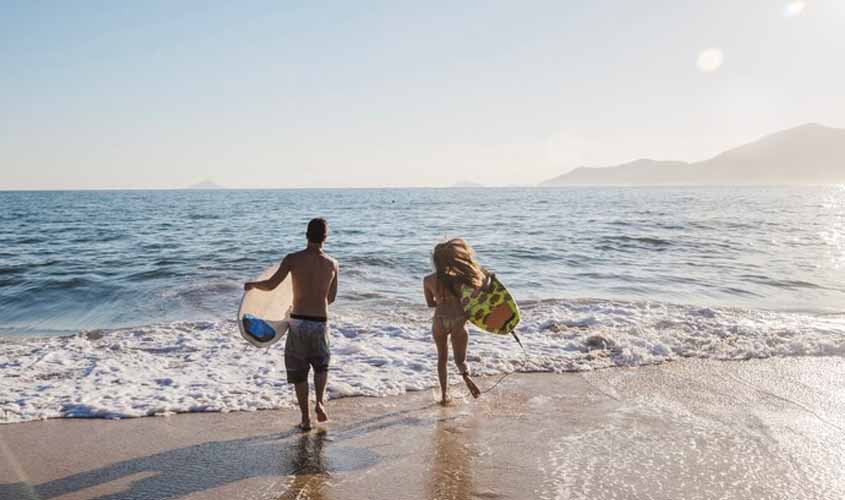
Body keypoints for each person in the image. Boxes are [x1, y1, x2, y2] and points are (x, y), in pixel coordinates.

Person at [245, 218, 338, 431]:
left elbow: (271, 284)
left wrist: (253, 285)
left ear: (306, 234)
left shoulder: (293, 259)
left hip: (298, 322)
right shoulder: (332, 264)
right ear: (326, 237)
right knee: (321, 365)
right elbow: (330, 298)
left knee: (299, 371)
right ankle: (321, 403)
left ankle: (305, 418)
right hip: (321, 323)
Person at [423, 238, 484, 405]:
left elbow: (430, 304)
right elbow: (476, 295)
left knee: (442, 358)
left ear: (435, 260)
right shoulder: (460, 278)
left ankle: (444, 395)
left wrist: (442, 301)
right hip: (459, 320)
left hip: (439, 321)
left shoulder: (428, 280)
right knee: (460, 361)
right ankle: (467, 378)